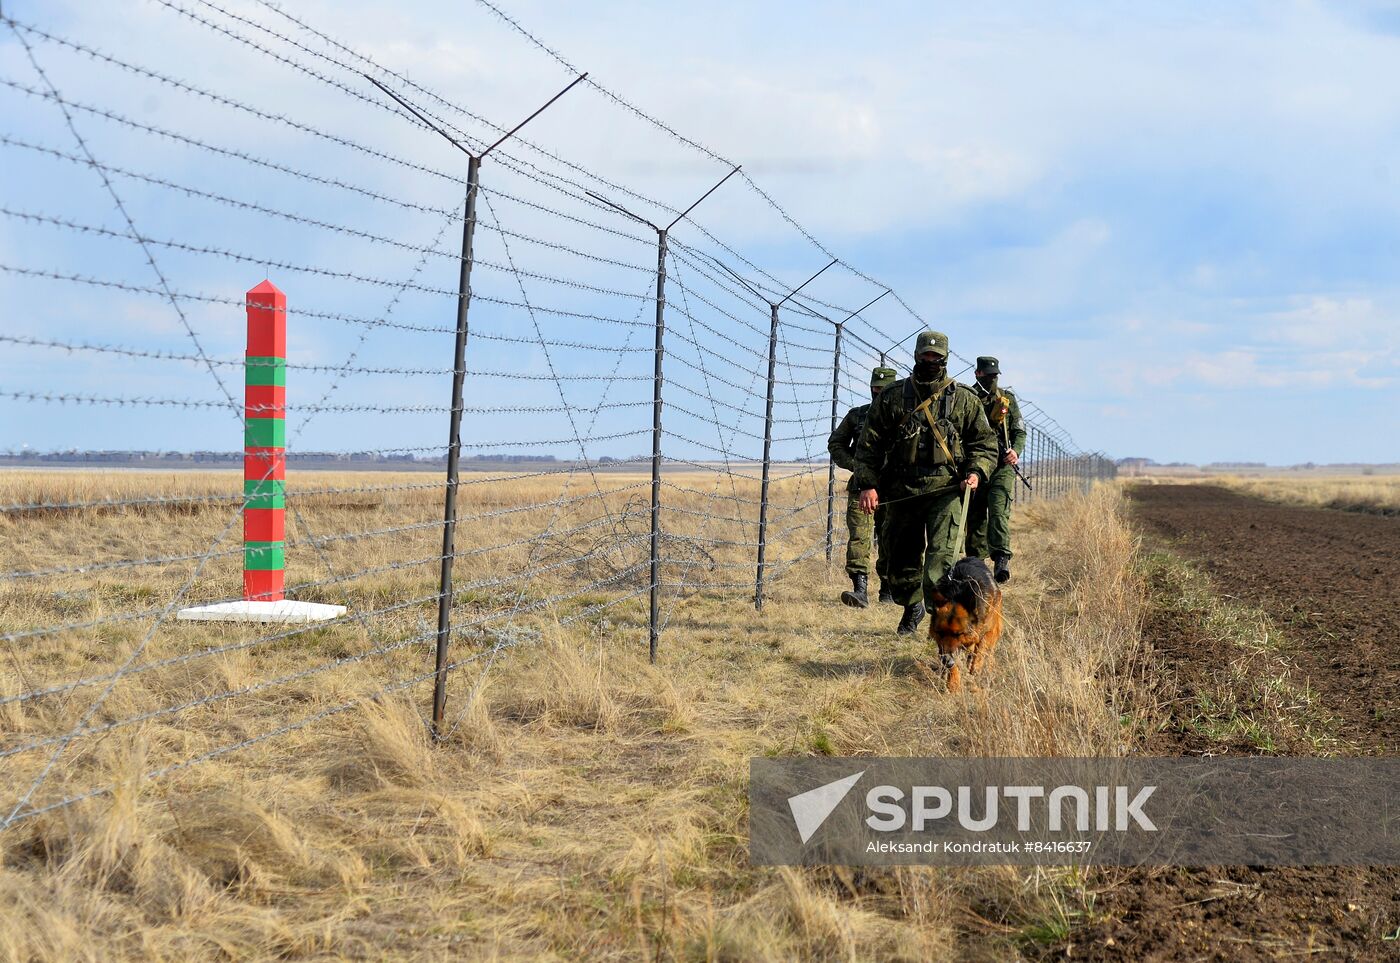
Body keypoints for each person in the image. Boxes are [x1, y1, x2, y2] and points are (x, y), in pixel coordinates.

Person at [851, 331, 998, 634]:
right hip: (901, 491)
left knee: (939, 563)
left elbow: (984, 444)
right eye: (926, 355)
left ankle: (943, 627)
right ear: (917, 355)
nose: (931, 360)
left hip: (946, 491)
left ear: (945, 357)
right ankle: (912, 605)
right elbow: (869, 445)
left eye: (936, 356)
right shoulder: (892, 397)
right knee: (900, 563)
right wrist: (868, 484)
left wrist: (976, 471)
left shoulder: (963, 399)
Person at [828, 366, 898, 607]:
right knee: (860, 537)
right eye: (875, 389)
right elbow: (836, 443)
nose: (878, 393)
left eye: (884, 389)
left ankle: (888, 589)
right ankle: (860, 589)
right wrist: (856, 466)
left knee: (890, 538)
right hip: (861, 488)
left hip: (893, 490)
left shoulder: (903, 417)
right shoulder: (857, 415)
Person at [966, 356, 1026, 583]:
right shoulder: (968, 397)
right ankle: (976, 563)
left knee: (998, 512)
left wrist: (1016, 452)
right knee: (976, 516)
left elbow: (1019, 431)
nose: (992, 379)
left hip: (1001, 467)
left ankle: (1001, 558)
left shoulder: (1006, 399)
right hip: (976, 467)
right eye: (988, 375)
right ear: (978, 374)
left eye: (995, 376)